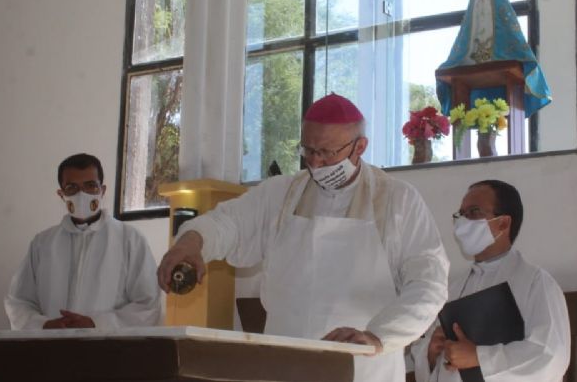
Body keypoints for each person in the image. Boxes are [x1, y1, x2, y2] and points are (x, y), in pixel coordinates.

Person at [157, 93, 449, 382]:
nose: (316, 163)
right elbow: (227, 223)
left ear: (360, 147)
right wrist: (191, 242)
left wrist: (378, 336)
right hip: (284, 365)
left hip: (364, 370)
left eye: (327, 152)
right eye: (308, 150)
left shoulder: (398, 200)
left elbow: (429, 283)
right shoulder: (280, 193)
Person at [409, 180, 570, 381]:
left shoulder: (537, 284)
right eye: (461, 214)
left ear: (503, 223)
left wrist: (479, 357)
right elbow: (427, 356)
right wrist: (431, 353)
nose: (463, 221)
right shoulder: (451, 290)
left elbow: (550, 355)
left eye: (474, 212)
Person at [5, 153, 160, 330]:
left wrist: (96, 324)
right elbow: (18, 301)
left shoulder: (130, 239)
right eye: (72, 188)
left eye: (90, 186)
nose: (82, 194)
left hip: (108, 349)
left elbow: (148, 304)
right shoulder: (42, 244)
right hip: (51, 348)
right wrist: (45, 325)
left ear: (103, 190)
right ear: (61, 194)